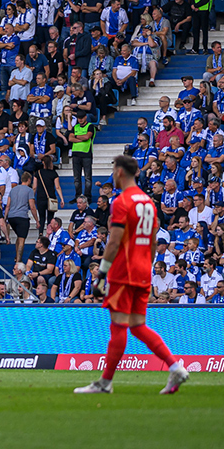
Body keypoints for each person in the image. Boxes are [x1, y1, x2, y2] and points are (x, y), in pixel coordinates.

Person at [75, 154, 189, 395]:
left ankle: (105, 383)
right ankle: (175, 366)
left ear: (119, 172)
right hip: (142, 270)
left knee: (118, 326)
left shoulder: (122, 201)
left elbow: (114, 241)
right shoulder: (148, 202)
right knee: (137, 325)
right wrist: (146, 266)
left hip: (124, 270)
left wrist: (101, 275)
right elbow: (153, 241)